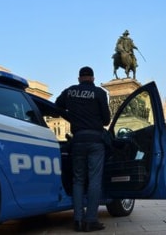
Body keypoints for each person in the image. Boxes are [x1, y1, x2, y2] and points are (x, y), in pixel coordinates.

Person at [55, 66, 111, 232]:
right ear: (93, 79)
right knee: (94, 180)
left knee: (78, 180)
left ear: (79, 78)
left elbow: (57, 107)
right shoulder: (100, 93)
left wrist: (71, 117)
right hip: (95, 140)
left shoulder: (70, 91)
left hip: (78, 140)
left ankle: (78, 220)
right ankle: (91, 220)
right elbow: (107, 120)